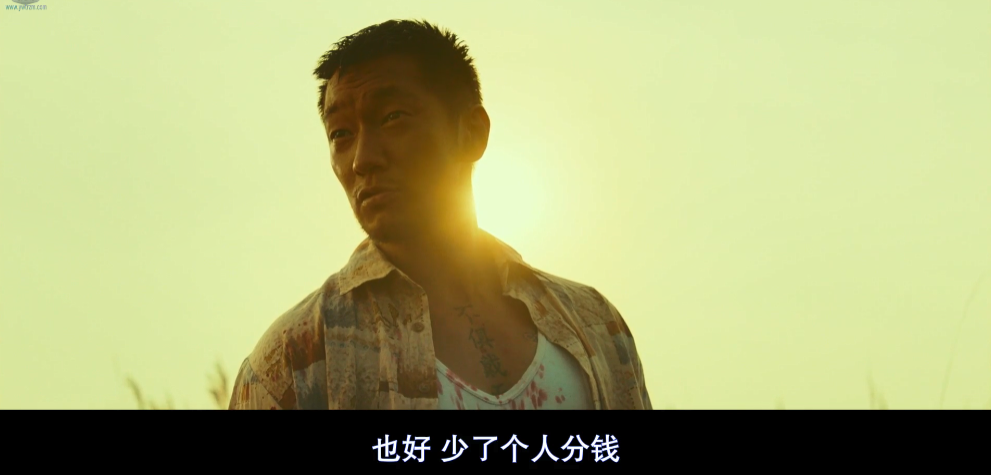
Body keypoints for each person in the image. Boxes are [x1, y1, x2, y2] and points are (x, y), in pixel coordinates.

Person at [228, 19, 651, 410]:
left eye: (392, 117)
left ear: (472, 132)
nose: (362, 159)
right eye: (341, 134)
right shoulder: (295, 360)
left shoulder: (595, 325)